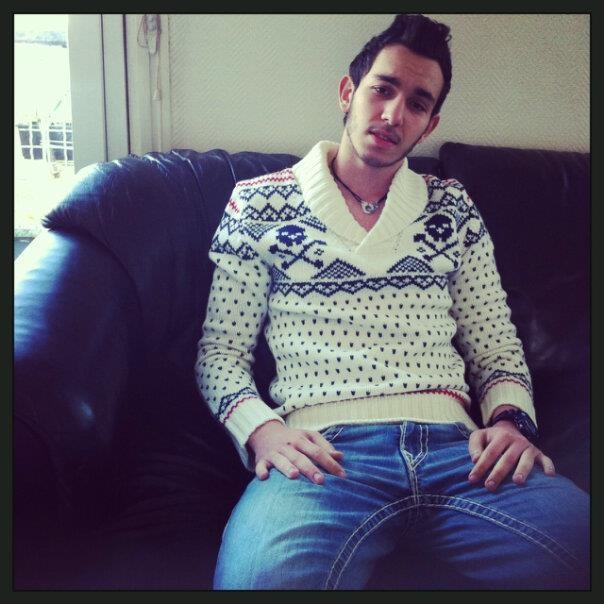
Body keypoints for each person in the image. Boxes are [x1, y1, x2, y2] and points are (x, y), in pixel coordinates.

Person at [195, 14, 589, 590]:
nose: (393, 114)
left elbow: (496, 347)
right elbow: (220, 353)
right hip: (325, 457)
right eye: (382, 89)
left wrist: (509, 421)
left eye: (417, 103)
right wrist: (262, 431)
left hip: (461, 455)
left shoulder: (452, 207)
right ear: (348, 92)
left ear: (430, 124)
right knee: (262, 580)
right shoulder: (256, 205)